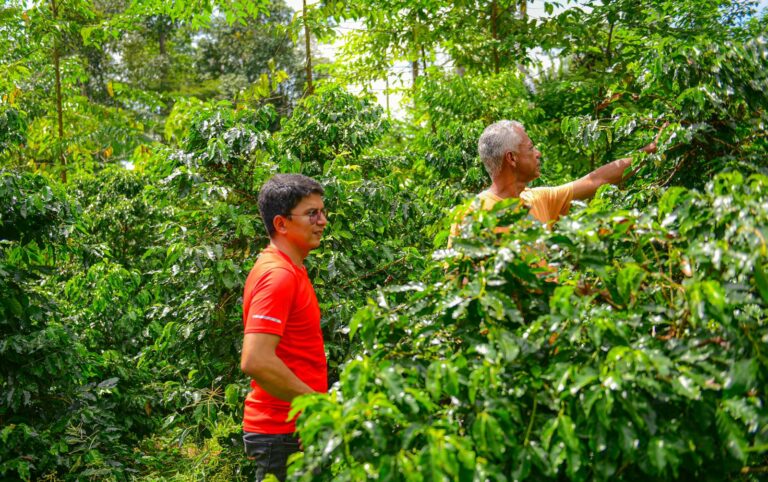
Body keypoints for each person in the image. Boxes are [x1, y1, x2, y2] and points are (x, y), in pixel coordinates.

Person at [240, 173, 328, 482]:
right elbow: (256, 360)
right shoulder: (278, 275)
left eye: (323, 211)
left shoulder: (292, 269)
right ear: (281, 224)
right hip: (281, 435)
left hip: (290, 431)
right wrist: (315, 406)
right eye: (311, 213)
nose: (322, 221)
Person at [450, 120, 658, 238]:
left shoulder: (537, 199)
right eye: (531, 148)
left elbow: (596, 180)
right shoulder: (473, 214)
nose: (538, 153)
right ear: (512, 158)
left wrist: (650, 151)